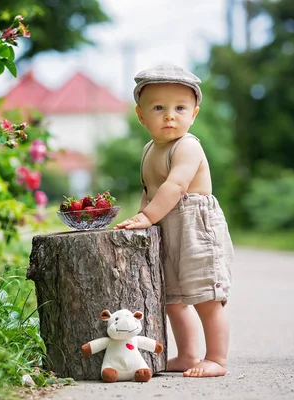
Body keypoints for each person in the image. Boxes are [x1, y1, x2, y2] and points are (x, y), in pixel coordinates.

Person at [114, 65, 234, 378]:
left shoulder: (188, 146)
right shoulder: (149, 149)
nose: (170, 116)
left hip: (195, 226)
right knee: (172, 298)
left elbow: (175, 186)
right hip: (166, 225)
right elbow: (150, 191)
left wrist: (148, 215)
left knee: (206, 295)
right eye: (159, 108)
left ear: (193, 114)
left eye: (179, 108)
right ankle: (188, 354)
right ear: (141, 116)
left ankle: (217, 359)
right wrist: (145, 221)